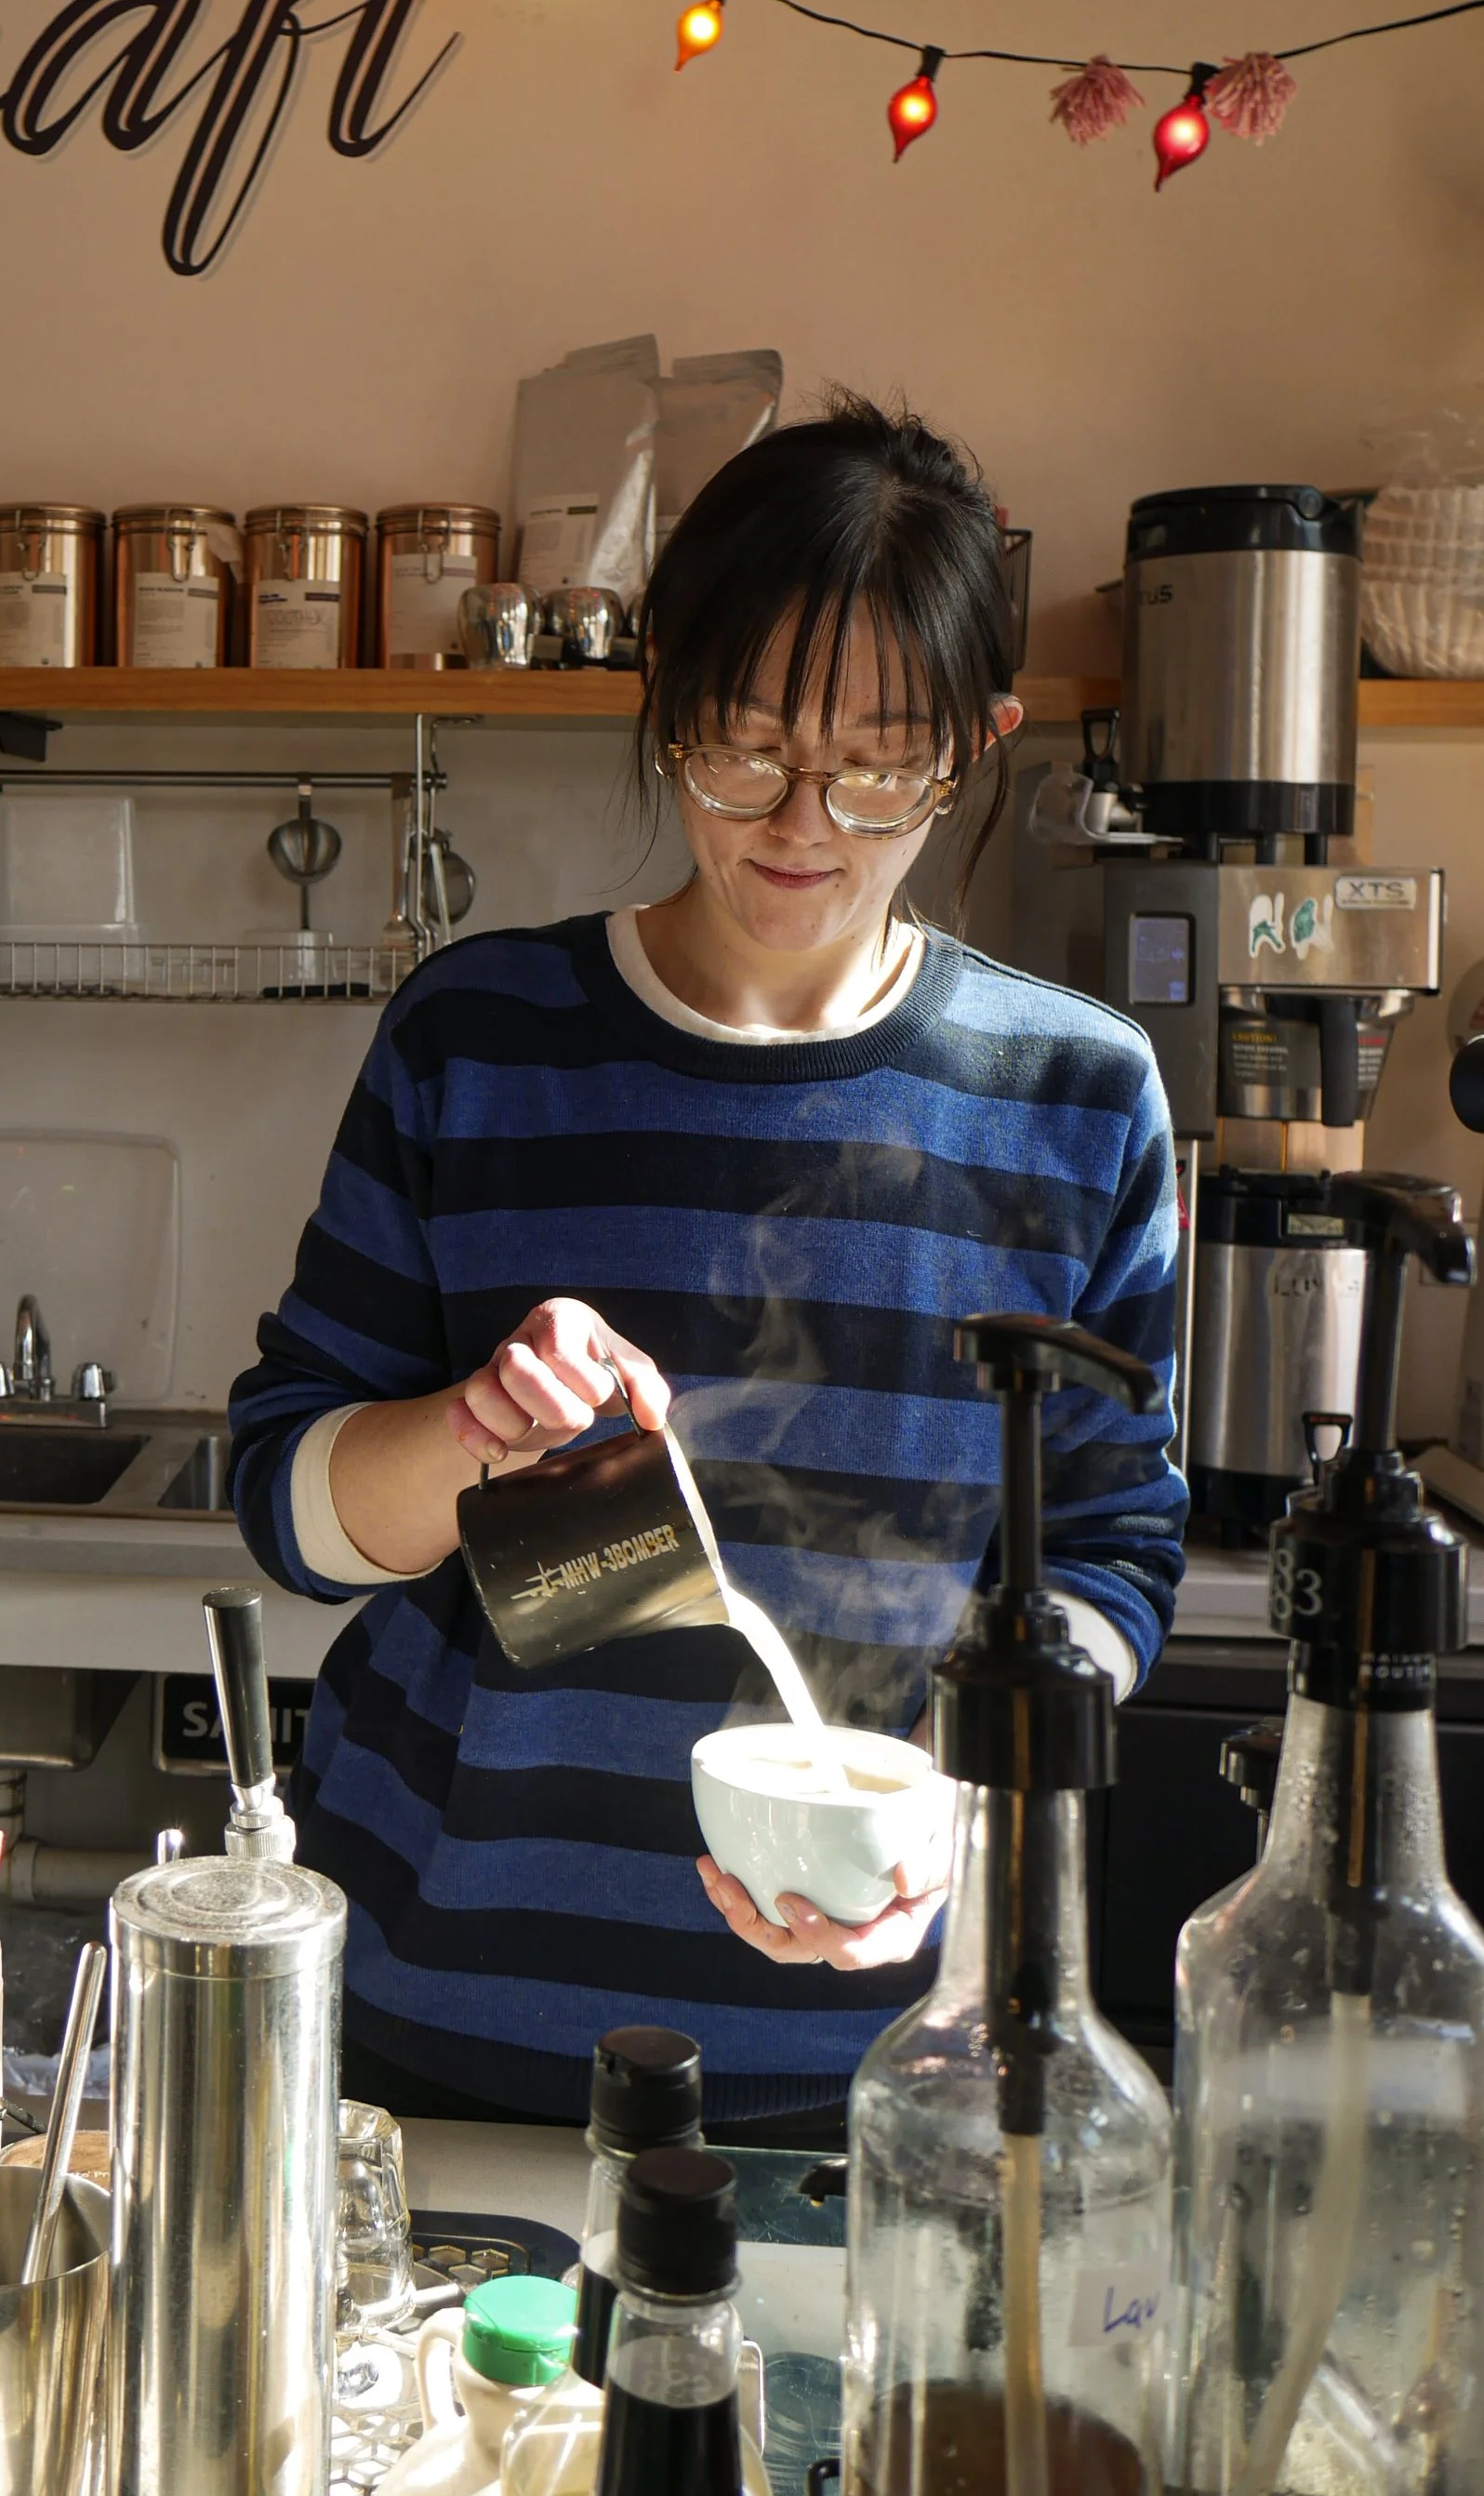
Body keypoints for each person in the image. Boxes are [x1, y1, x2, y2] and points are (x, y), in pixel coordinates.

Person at [228, 394, 1185, 2133]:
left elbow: (1113, 1558)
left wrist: (955, 1811)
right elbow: (284, 1505)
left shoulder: (1073, 1098)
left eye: (882, 765)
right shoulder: (481, 1040)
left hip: (873, 2055)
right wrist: (469, 1435)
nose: (803, 820)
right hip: (445, 2024)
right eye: (744, 746)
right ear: (665, 697)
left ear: (980, 742)